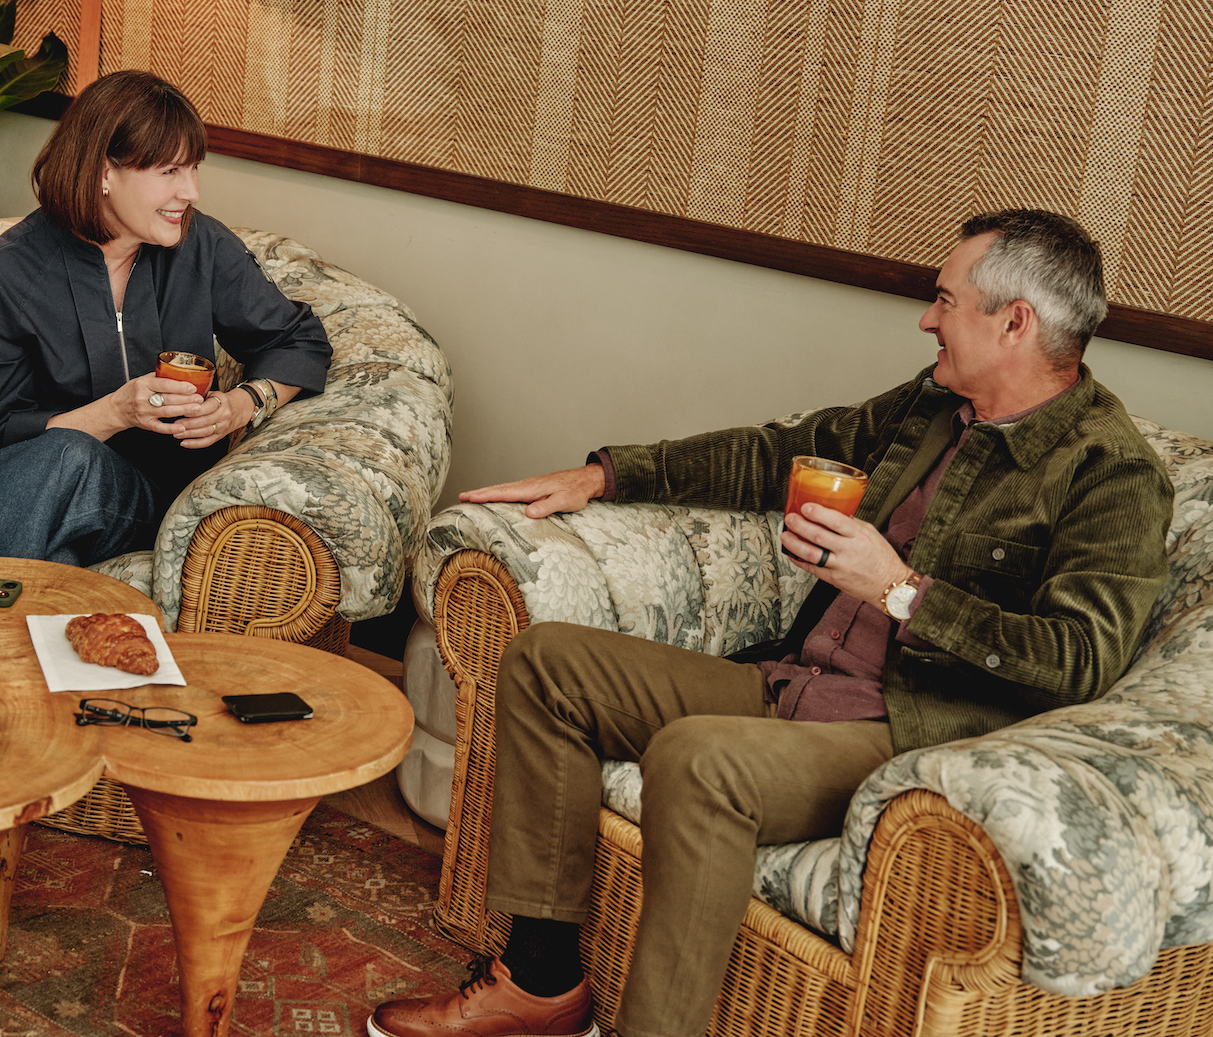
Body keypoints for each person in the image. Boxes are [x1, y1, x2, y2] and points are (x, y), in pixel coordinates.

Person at [366, 210, 1173, 1037]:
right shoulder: (935, 405)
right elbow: (782, 450)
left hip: (908, 731)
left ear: (1015, 322)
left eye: (945, 299)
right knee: (547, 665)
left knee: (698, 758)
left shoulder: (1112, 475)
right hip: (797, 681)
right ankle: (541, 987)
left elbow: (1079, 658)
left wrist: (898, 589)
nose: (926, 318)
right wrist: (602, 476)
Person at [0, 70, 331, 565]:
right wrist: (116, 413)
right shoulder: (7, 275)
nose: (191, 192)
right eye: (169, 172)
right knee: (66, 491)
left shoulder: (202, 249)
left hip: (136, 499)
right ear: (103, 172)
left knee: (74, 462)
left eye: (194, 168)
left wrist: (243, 404)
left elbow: (300, 341)